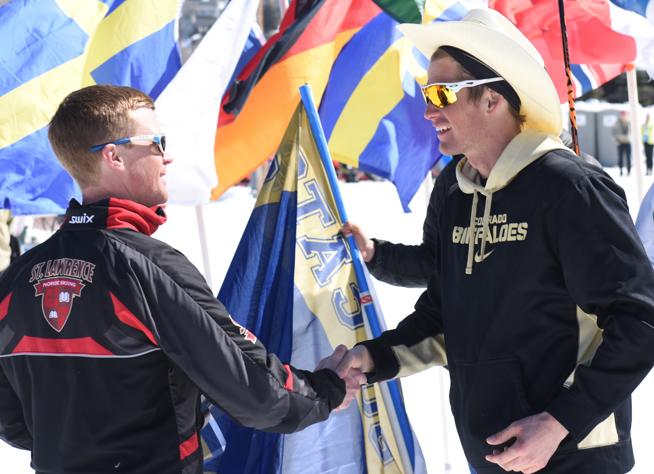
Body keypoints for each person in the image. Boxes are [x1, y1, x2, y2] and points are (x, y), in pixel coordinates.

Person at [326, 9, 654, 474]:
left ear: (493, 99)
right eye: (425, 93)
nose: (427, 110)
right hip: (490, 453)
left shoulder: (570, 187)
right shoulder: (453, 192)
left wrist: (560, 422)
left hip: (573, 456)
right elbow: (445, 318)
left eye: (442, 93)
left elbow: (640, 321)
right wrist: (372, 358)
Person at [0, 85, 362, 474]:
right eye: (156, 142)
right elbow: (254, 389)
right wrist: (325, 389)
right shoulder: (145, 267)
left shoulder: (15, 280)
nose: (167, 156)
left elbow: (13, 420)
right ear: (114, 156)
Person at [613, 111, 631, 176]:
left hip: (628, 142)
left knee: (628, 157)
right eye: (622, 115)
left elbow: (631, 132)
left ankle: (629, 171)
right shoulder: (617, 123)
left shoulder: (629, 122)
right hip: (620, 142)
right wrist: (616, 139)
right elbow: (614, 132)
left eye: (625, 115)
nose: (623, 116)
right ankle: (621, 171)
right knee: (620, 157)